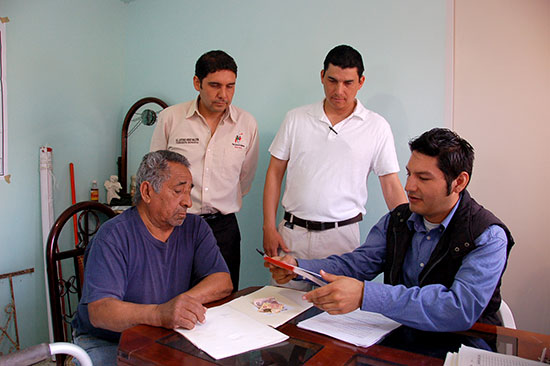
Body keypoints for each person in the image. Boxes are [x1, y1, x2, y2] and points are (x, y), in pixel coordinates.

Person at [266, 128, 514, 332]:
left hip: (462, 343)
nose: (408, 186)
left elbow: (457, 309)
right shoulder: (397, 221)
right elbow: (357, 264)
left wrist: (365, 295)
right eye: (409, 174)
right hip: (401, 334)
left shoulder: (487, 236)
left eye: (423, 178)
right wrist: (298, 268)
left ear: (459, 182)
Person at [263, 45, 407, 289]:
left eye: (348, 83)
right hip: (291, 234)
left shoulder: (376, 126)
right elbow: (275, 173)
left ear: (361, 82)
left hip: (341, 239)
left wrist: (409, 231)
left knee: (333, 318)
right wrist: (268, 225)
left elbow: (391, 186)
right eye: (332, 81)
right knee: (282, 313)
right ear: (322, 76)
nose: (339, 91)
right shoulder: (296, 118)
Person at [72, 150, 233, 365]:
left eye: (189, 191)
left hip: (164, 334)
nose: (187, 201)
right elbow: (100, 311)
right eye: (178, 191)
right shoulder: (113, 236)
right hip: (109, 340)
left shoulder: (195, 228)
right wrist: (159, 313)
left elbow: (222, 281)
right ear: (147, 191)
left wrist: (179, 306)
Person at [150, 50, 259, 291]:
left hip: (224, 229)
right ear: (197, 83)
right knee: (173, 298)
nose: (223, 94)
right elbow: (155, 174)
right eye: (215, 85)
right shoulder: (171, 119)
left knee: (223, 301)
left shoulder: (246, 124)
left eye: (230, 86)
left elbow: (245, 178)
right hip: (177, 225)